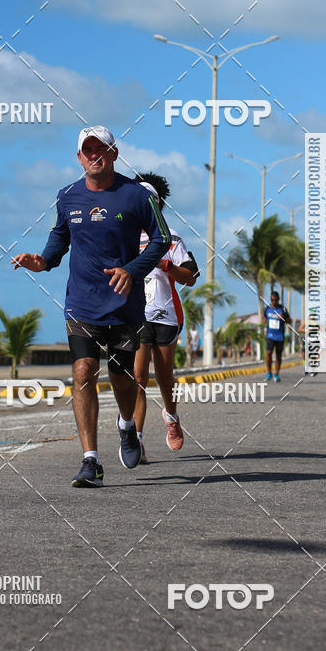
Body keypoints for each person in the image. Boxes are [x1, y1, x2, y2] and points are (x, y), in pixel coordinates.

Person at [12, 126, 171, 488]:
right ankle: (91, 461)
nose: (93, 155)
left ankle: (127, 426)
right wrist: (41, 260)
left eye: (101, 149)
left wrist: (131, 272)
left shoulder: (136, 195)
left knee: (121, 377)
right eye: (87, 150)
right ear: (78, 157)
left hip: (125, 304)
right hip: (81, 302)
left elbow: (160, 239)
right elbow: (60, 237)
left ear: (114, 153)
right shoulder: (67, 196)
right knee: (83, 371)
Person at [132, 173, 198, 463]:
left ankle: (171, 416)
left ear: (157, 204)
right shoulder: (125, 236)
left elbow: (190, 277)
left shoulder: (172, 237)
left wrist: (164, 263)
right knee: (137, 378)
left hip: (167, 314)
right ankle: (136, 440)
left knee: (164, 377)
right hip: (135, 315)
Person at [264, 291, 291, 382]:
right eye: (272, 300)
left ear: (278, 300)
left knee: (278, 356)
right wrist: (265, 323)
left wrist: (283, 318)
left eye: (275, 300)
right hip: (270, 336)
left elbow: (289, 320)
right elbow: (264, 318)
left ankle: (276, 374)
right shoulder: (267, 308)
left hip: (279, 336)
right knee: (268, 353)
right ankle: (268, 372)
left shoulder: (283, 309)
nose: (274, 302)